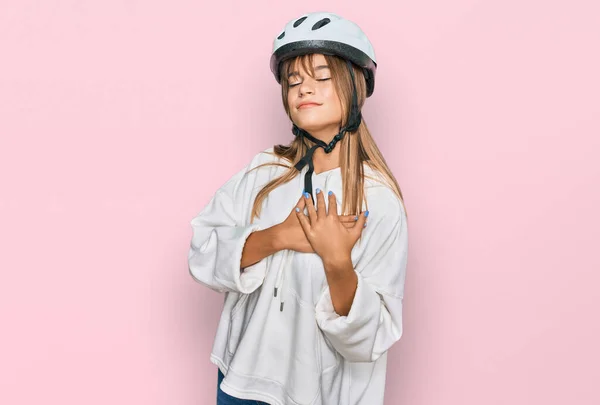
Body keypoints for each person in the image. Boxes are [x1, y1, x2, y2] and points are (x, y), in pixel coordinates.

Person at [188, 11, 409, 405]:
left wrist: (337, 262)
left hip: (316, 394)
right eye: (293, 80)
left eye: (322, 77)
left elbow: (371, 339)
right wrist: (277, 237)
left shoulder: (378, 199)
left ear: (356, 87)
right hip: (239, 383)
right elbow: (203, 252)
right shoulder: (264, 173)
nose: (304, 88)